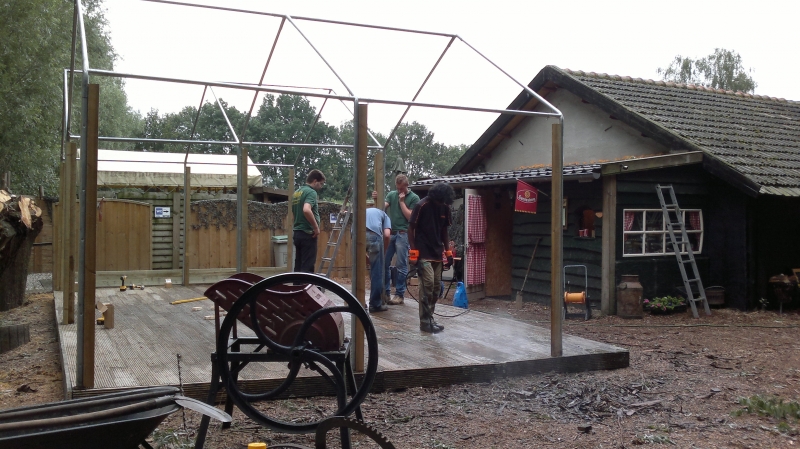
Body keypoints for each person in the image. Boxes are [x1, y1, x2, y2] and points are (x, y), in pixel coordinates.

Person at [408, 182, 454, 333]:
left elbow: (444, 231)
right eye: (441, 200)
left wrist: (448, 252)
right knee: (427, 285)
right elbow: (411, 228)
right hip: (423, 252)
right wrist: (413, 253)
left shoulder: (445, 207)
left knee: (436, 289)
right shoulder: (421, 205)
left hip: (437, 254)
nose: (442, 203)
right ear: (436, 196)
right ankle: (424, 322)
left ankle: (430, 319)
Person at [375, 174, 420, 306]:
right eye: (398, 188)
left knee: (401, 265)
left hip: (403, 234)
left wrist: (401, 202)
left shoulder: (414, 198)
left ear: (407, 185)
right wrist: (377, 199)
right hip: (390, 233)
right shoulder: (391, 194)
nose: (400, 191)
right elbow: (382, 207)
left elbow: (410, 217)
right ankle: (386, 293)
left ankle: (399, 294)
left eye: (402, 188)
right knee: (384, 262)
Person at [292, 169, 325, 273]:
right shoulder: (311, 192)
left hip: (297, 233)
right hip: (307, 234)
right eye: (321, 183)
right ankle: (305, 284)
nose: (321, 186)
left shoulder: (297, 192)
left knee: (298, 265)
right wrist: (316, 228)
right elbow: (306, 210)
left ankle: (296, 283)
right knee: (307, 267)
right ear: (315, 181)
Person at [366, 207, 391, 313]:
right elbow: (387, 235)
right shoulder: (385, 215)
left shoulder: (365, 211)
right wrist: (383, 252)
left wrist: (366, 257)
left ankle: (358, 301)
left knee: (357, 270)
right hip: (374, 236)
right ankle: (375, 304)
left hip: (356, 233)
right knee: (377, 272)